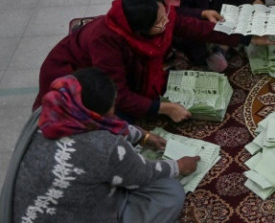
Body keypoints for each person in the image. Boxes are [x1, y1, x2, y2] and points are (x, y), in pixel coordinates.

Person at [33, 0, 266, 123]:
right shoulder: (105, 41)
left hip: (114, 68)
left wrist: (245, 37)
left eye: (165, 15)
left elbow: (192, 27)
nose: (167, 22)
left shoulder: (157, 16)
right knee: (114, 122)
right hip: (75, 76)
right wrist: (164, 108)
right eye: (160, 23)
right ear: (138, 31)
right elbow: (118, 94)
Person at [3, 68, 199, 223]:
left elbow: (111, 124)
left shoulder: (48, 113)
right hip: (79, 215)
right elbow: (142, 175)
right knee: (170, 191)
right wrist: (179, 166)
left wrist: (142, 136)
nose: (115, 112)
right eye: (112, 107)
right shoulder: (104, 147)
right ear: (92, 115)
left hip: (24, 213)